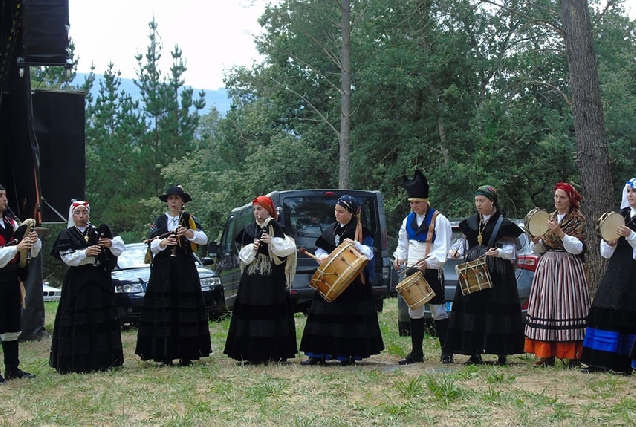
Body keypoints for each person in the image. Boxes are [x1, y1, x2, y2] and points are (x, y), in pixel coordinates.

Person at [444, 185, 525, 365]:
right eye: (476, 201)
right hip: (474, 270)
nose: (478, 204)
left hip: (498, 274)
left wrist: (500, 253)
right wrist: (455, 251)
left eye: (482, 201)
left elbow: (512, 250)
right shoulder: (471, 222)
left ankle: (501, 352)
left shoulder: (504, 224)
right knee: (474, 310)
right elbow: (464, 242)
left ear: (492, 201)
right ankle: (474, 352)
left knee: (497, 310)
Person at [299, 195, 384, 366]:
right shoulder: (332, 229)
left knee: (348, 318)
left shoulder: (362, 231)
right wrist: (322, 257)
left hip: (352, 283)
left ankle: (347, 354)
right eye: (336, 211)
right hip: (331, 278)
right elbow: (321, 248)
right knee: (322, 317)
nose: (337, 214)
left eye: (341, 211)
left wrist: (356, 245)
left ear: (351, 213)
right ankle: (317, 354)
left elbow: (369, 253)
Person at [135, 186, 211, 366]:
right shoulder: (160, 220)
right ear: (167, 202)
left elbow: (204, 239)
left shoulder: (189, 219)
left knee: (185, 309)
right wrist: (162, 242)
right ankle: (165, 354)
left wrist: (189, 233)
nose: (174, 202)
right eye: (171, 199)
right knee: (164, 308)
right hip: (163, 271)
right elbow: (150, 244)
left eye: (177, 198)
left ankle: (186, 354)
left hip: (184, 270)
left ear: (182, 202)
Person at [49, 200, 125, 374]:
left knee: (99, 316)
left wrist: (109, 244)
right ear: (72, 215)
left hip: (98, 279)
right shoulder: (66, 235)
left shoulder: (98, 232)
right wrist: (86, 253)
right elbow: (68, 258)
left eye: (84, 213)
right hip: (78, 281)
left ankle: (103, 360)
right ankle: (77, 361)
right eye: (78, 213)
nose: (81, 216)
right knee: (79, 317)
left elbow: (118, 249)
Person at [224, 195, 298, 365]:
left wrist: (272, 242)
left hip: (273, 277)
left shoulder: (278, 228)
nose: (257, 213)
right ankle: (250, 353)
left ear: (269, 210)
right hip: (253, 277)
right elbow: (243, 255)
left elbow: (289, 248)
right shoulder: (250, 229)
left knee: (274, 313)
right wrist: (253, 247)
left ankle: (276, 352)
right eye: (255, 209)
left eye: (260, 209)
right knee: (252, 313)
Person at [524, 182, 590, 367]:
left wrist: (560, 233)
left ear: (570, 199)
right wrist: (536, 241)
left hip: (569, 266)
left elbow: (578, 248)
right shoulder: (548, 217)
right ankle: (546, 354)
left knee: (568, 306)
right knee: (546, 307)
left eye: (562, 197)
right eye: (556, 197)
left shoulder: (578, 219)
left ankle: (571, 355)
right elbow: (540, 248)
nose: (558, 200)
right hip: (548, 265)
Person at [393, 170, 453, 365]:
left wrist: (429, 261)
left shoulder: (439, 219)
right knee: (414, 310)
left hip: (430, 270)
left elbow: (443, 248)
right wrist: (399, 258)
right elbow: (403, 243)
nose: (413, 206)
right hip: (412, 270)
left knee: (438, 311)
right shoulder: (408, 220)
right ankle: (416, 352)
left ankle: (446, 352)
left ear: (426, 201)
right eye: (411, 203)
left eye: (416, 202)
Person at [580, 178, 636, 374]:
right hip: (615, 269)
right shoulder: (620, 215)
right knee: (604, 309)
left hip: (633, 271)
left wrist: (630, 235)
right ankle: (598, 361)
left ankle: (623, 364)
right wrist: (609, 243)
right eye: (628, 191)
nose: (630, 195)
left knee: (626, 313)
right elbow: (605, 253)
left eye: (634, 191)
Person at [0, 184, 40, 383]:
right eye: (1, 196)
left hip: (11, 279)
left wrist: (31, 240)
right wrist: (16, 247)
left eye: (5, 195)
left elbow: (27, 248)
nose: (5, 199)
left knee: (11, 324)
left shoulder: (10, 221)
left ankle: (12, 368)